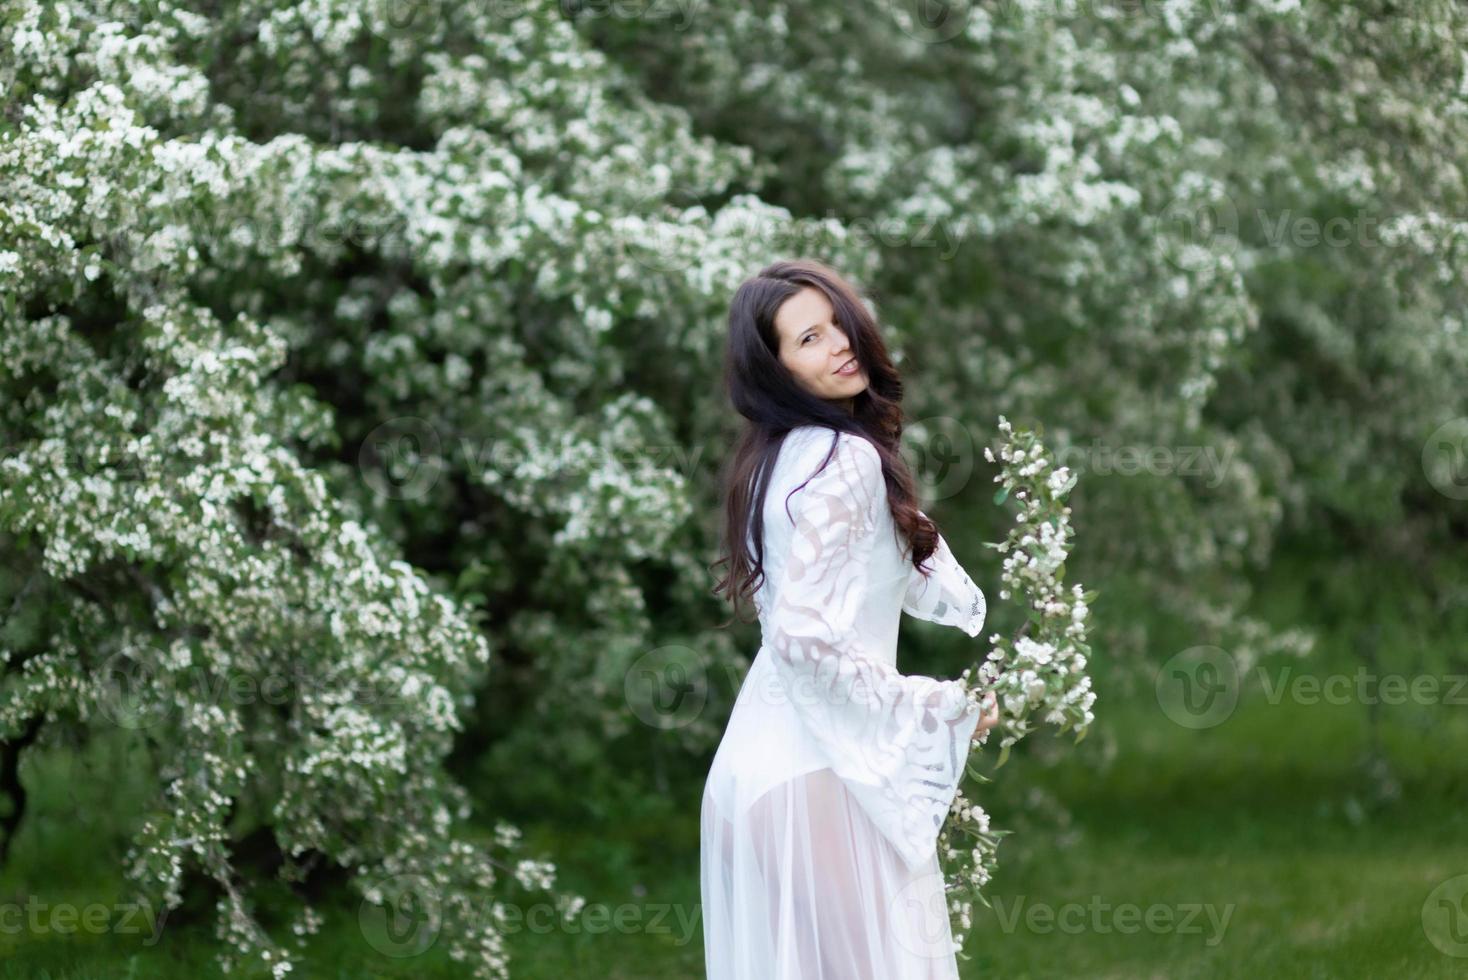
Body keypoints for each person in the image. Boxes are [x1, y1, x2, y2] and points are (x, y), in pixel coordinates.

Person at [703, 258, 1002, 979]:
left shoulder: (777, 459)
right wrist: (935, 705)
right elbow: (804, 636)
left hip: (757, 777)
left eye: (837, 321)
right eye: (807, 339)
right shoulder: (839, 459)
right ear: (776, 372)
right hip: (815, 776)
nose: (838, 342)